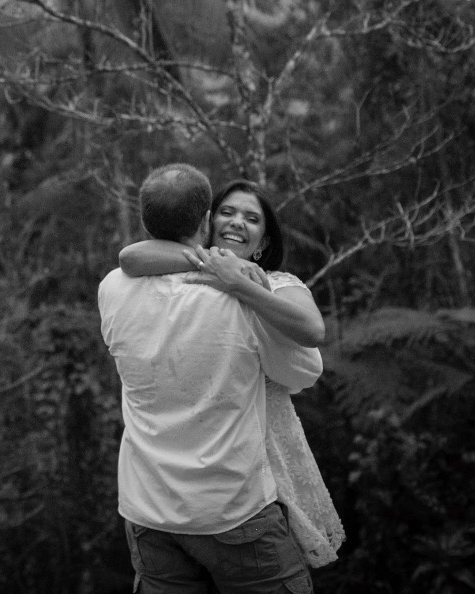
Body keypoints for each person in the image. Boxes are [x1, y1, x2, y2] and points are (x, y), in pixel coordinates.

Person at [99, 164, 322, 594]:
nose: (237, 223)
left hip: (148, 511)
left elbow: (130, 257)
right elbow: (305, 369)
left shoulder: (113, 288)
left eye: (252, 218)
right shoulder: (248, 305)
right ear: (206, 221)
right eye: (227, 213)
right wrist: (232, 280)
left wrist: (233, 278)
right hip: (232, 511)